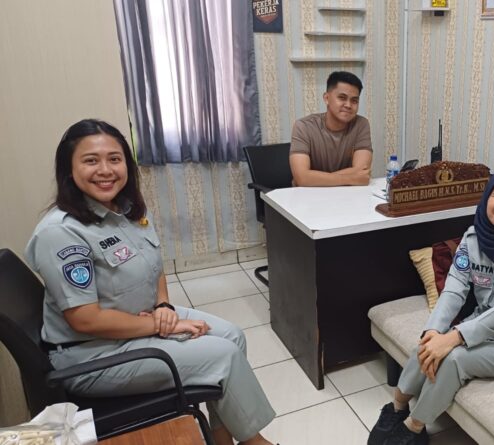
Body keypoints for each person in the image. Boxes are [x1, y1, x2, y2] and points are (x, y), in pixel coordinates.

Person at [26, 119, 278, 445]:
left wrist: (164, 307)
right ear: (69, 170)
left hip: (142, 319)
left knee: (232, 335)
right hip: (94, 354)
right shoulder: (61, 232)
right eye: (91, 160)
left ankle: (221, 437)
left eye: (114, 159)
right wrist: (159, 326)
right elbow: (85, 319)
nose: (105, 170)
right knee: (224, 356)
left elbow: (154, 266)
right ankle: (255, 442)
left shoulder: (127, 211)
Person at [369, 167, 494, 445]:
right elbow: (454, 289)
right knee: (428, 343)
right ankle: (397, 407)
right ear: (487, 198)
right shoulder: (473, 238)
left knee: (454, 359)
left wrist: (455, 337)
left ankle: (414, 428)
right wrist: (434, 331)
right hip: (486, 327)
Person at [289, 70, 373, 186]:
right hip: (309, 195)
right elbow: (302, 178)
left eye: (354, 101)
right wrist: (351, 178)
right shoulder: (303, 126)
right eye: (342, 98)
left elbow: (362, 171)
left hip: (346, 194)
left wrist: (314, 179)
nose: (348, 105)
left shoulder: (361, 124)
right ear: (326, 98)